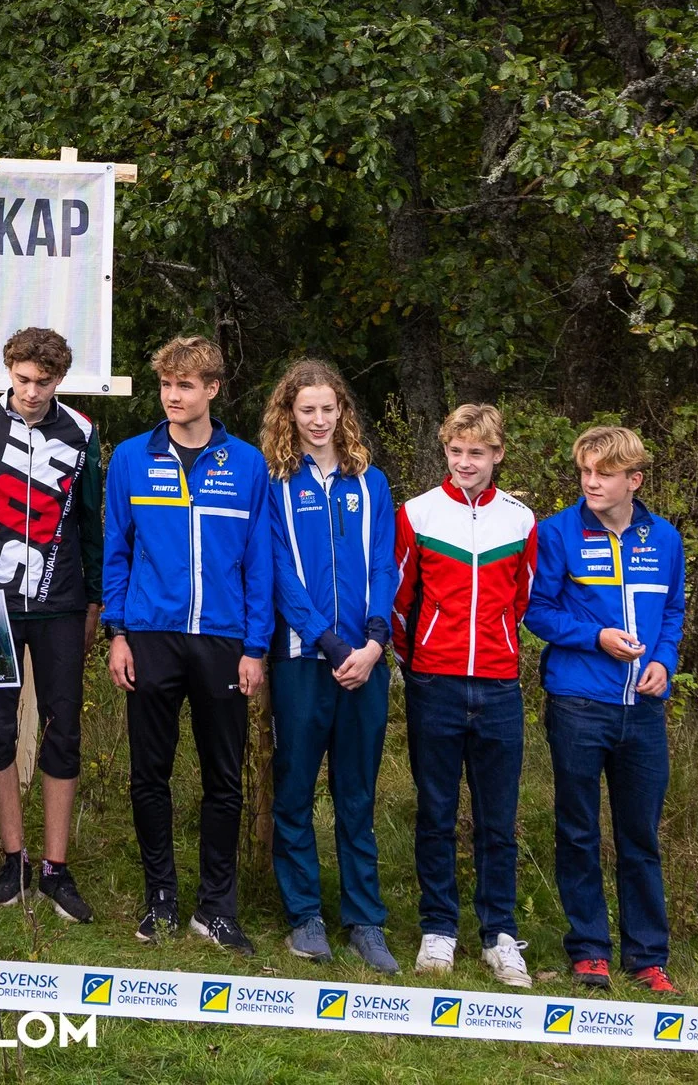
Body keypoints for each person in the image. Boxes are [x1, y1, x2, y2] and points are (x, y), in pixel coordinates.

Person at [101, 336, 273, 954]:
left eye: (186, 386)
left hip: (224, 641)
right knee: (151, 773)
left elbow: (260, 562)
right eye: (166, 385)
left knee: (223, 777)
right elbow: (115, 550)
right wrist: (116, 633)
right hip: (149, 635)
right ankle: (161, 898)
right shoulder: (129, 458)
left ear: (212, 390)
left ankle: (216, 907)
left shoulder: (248, 464)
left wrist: (256, 647)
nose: (174, 397)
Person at [0, 326, 102, 924]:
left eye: (43, 381)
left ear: (60, 379)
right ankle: (13, 860)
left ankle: (56, 869)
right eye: (22, 378)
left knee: (64, 730)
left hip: (60, 604)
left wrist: (94, 603)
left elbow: (92, 522)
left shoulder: (81, 432)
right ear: (8, 369)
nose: (31, 391)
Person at [524, 425, 686, 996]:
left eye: (603, 474)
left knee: (639, 835)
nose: (591, 483)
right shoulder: (556, 533)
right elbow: (536, 612)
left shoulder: (664, 538)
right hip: (578, 703)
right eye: (585, 473)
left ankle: (647, 956)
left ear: (633, 481)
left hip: (642, 710)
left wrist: (664, 662)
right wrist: (596, 637)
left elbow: (672, 610)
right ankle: (589, 950)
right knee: (579, 831)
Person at [260, 359, 401, 972]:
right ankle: (305, 915)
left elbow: (384, 566)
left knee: (356, 794)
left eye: (328, 408)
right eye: (306, 409)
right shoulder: (275, 481)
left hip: (366, 662)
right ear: (289, 414)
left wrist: (372, 643)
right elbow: (281, 576)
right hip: (303, 661)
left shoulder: (370, 482)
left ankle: (365, 921)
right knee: (293, 794)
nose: (318, 420)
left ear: (342, 411)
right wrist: (329, 643)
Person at [393, 402, 540, 986]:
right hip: (434, 680)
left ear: (497, 454)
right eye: (455, 452)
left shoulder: (521, 521)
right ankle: (439, 930)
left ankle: (500, 934)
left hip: (500, 684)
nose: (464, 464)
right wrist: (418, 662)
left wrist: (499, 646)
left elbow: (522, 599)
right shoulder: (419, 513)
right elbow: (402, 599)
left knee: (497, 819)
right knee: (435, 811)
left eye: (477, 453)